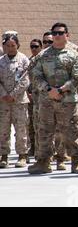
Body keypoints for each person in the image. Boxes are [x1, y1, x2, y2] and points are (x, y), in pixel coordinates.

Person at [28, 23, 78, 175]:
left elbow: (76, 78)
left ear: (67, 35)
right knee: (44, 131)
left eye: (60, 33)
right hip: (47, 100)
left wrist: (60, 90)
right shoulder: (43, 55)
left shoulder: (74, 55)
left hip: (68, 100)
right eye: (54, 33)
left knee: (72, 131)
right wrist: (48, 89)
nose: (57, 35)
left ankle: (75, 161)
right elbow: (36, 75)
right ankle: (44, 162)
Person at [0, 34, 30, 168]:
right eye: (8, 46)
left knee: (21, 129)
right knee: (3, 129)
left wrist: (12, 94)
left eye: (13, 45)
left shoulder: (23, 59)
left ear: (17, 45)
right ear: (4, 46)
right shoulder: (1, 61)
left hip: (19, 101)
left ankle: (22, 155)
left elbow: (25, 80)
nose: (10, 48)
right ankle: (4, 156)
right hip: (3, 101)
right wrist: (4, 94)